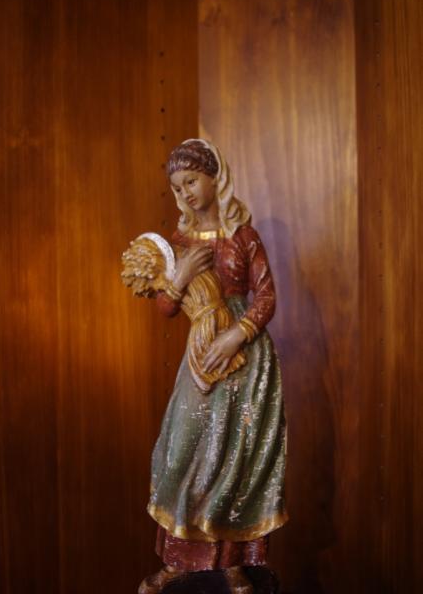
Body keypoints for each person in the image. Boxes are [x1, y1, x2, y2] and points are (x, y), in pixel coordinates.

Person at [139, 139, 287, 594]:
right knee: (183, 452)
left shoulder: (243, 236)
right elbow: (166, 307)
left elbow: (266, 296)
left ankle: (233, 561)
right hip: (201, 358)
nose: (185, 193)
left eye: (192, 181)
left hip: (245, 360)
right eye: (177, 187)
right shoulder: (179, 243)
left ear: (214, 178)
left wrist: (236, 334)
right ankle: (178, 559)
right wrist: (180, 278)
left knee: (236, 460)